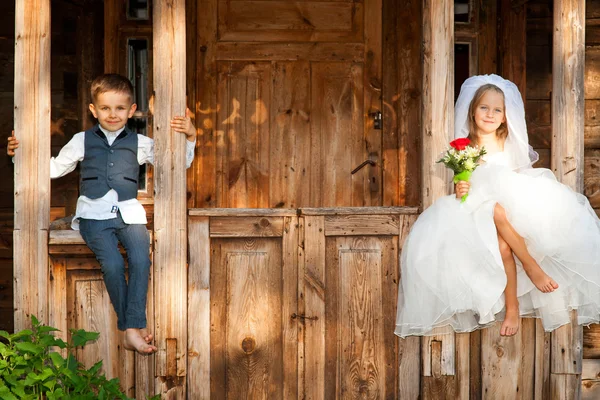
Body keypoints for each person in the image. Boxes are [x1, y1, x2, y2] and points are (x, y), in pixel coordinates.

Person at [395, 74, 600, 338]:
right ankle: (528, 270)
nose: (490, 114)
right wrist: (461, 186)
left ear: (505, 117)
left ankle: (514, 303)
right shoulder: (464, 146)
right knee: (495, 215)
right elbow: (462, 180)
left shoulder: (506, 142)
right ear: (472, 111)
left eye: (497, 110)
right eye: (484, 108)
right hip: (476, 208)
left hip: (506, 204)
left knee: (503, 240)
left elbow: (516, 175)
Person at [7, 73, 196, 354]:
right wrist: (17, 156)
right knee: (113, 265)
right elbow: (53, 168)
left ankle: (132, 328)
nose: (112, 114)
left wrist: (191, 135)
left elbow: (176, 163)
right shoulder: (81, 140)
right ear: (93, 110)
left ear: (132, 111)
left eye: (120, 108)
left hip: (129, 215)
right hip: (93, 216)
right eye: (105, 108)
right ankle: (132, 328)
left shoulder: (141, 143)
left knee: (141, 262)